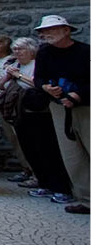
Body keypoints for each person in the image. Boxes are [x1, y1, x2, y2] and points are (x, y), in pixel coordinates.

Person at [0, 37, 72, 202]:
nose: (17, 52)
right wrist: (8, 75)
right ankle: (43, 183)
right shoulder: (16, 65)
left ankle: (60, 187)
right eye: (15, 49)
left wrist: (18, 75)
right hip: (20, 111)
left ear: (31, 50)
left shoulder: (38, 64)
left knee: (47, 150)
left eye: (21, 49)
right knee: (31, 150)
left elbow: (39, 84)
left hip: (39, 111)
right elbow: (0, 85)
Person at [33, 15, 89, 214]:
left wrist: (77, 95)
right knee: (72, 154)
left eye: (51, 30)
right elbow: (38, 78)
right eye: (43, 31)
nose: (45, 34)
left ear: (66, 30)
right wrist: (46, 88)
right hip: (59, 107)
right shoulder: (44, 53)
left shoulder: (84, 51)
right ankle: (86, 199)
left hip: (85, 107)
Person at [0, 32, 30, 181]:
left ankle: (32, 170)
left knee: (21, 137)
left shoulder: (11, 61)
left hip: (12, 104)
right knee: (12, 138)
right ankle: (26, 168)